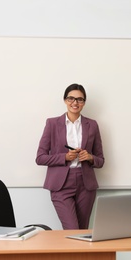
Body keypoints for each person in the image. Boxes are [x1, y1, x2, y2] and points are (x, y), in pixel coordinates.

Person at [35, 83, 105, 230]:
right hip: (61, 184)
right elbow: (40, 157)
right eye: (71, 98)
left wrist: (90, 157)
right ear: (65, 100)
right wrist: (64, 157)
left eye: (80, 99)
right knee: (72, 229)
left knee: (83, 230)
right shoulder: (52, 123)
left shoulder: (92, 125)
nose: (75, 102)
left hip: (85, 184)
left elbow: (100, 160)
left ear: (84, 103)